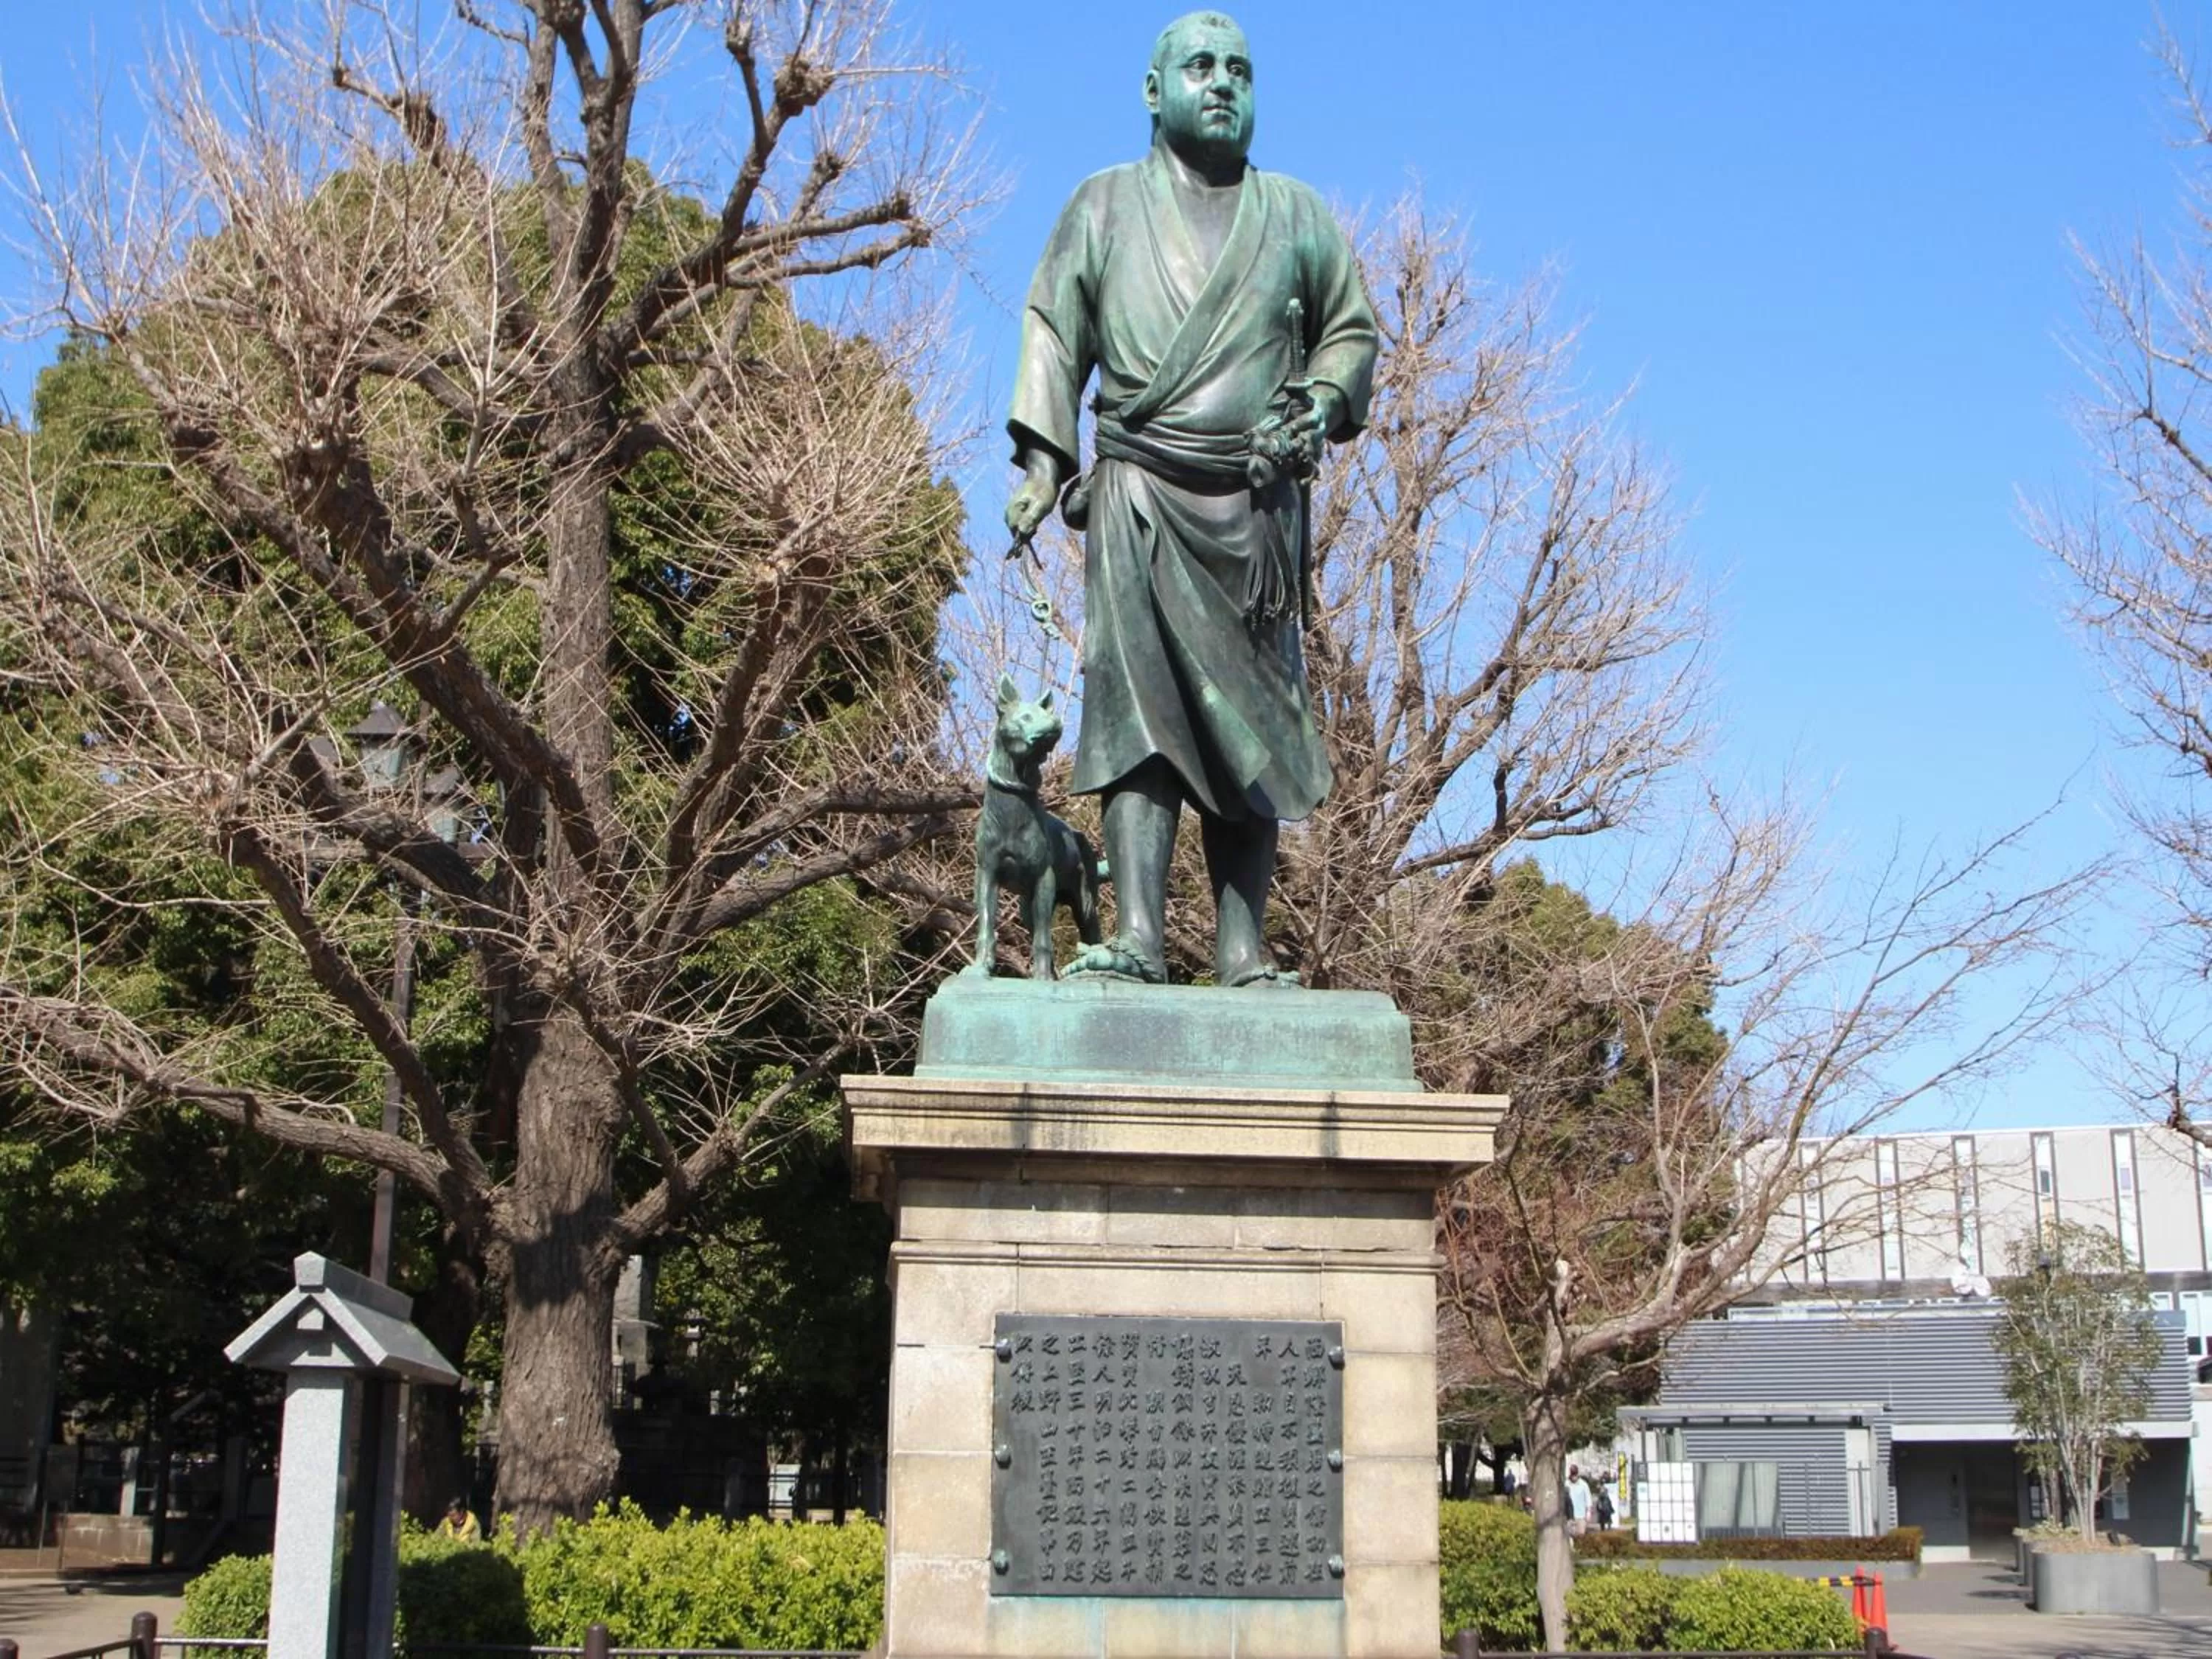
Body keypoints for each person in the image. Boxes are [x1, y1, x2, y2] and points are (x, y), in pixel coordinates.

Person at [1005, 10, 1379, 986]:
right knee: (1135, 712)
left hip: (1254, 508)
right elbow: (1054, 324)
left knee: (1253, 724)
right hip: (1135, 492)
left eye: (1240, 69)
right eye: (1201, 66)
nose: (1222, 83)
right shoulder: (1103, 204)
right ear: (1153, 88)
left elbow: (1352, 332)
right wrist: (1044, 463)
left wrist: (1324, 400)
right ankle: (1134, 929)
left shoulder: (1294, 212)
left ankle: (1244, 946)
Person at [1565, 1465, 1592, 1539]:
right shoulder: (1566, 1484)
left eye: (1575, 1474)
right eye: (1572, 1474)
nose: (1574, 1477)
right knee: (1570, 1537)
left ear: (1577, 1474)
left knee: (1580, 1535)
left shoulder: (1584, 1485)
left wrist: (1589, 1512)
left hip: (1581, 1516)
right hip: (1570, 1517)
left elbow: (1588, 1498)